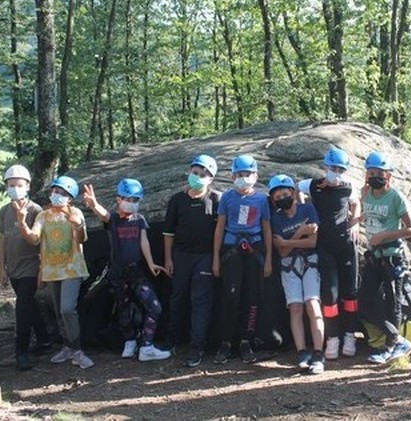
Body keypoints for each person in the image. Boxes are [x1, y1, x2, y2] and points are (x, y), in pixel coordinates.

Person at [83, 178, 171, 362]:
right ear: (118, 199)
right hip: (117, 272)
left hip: (136, 272)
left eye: (135, 200)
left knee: (154, 306)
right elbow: (104, 215)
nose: (131, 204)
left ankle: (146, 346)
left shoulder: (140, 220)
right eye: (128, 199)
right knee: (123, 308)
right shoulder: (114, 220)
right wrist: (93, 204)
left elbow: (144, 241)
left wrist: (151, 263)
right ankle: (130, 342)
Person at [16, 175, 94, 369]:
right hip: (52, 269)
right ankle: (67, 347)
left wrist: (78, 224)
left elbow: (82, 238)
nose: (57, 195)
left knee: (68, 308)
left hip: (72, 268)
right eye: (55, 191)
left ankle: (77, 350)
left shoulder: (75, 212)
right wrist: (22, 222)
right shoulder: (43, 215)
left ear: (70, 197)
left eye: (62, 193)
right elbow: (34, 239)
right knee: (59, 311)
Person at [211, 154, 273, 364]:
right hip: (232, 250)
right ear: (232, 175)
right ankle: (226, 342)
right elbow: (219, 227)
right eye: (239, 174)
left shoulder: (262, 199)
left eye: (247, 174)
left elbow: (266, 228)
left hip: (254, 250)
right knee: (230, 297)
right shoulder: (227, 198)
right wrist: (216, 259)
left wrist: (268, 258)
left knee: (252, 297)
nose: (243, 178)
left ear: (255, 176)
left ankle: (246, 341)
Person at [360, 152, 411, 364]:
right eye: (371, 172)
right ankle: (396, 339)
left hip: (392, 256)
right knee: (364, 301)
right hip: (373, 257)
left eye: (379, 173)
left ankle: (390, 348)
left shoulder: (396, 198)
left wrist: (385, 235)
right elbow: (365, 217)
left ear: (389, 176)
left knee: (393, 304)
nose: (375, 176)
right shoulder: (365, 193)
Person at [163, 154, 221, 368]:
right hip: (181, 256)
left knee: (201, 301)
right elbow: (168, 232)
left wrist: (216, 259)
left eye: (203, 174)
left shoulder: (216, 199)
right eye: (195, 172)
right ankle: (172, 341)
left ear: (211, 178)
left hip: (205, 258)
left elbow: (220, 232)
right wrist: (168, 258)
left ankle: (197, 347)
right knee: (177, 298)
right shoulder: (177, 200)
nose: (197, 176)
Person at [306, 147, 361, 360]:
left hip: (346, 245)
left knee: (350, 293)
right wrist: (307, 211)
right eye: (333, 168)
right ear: (325, 167)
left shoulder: (348, 186)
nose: (336, 172)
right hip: (324, 246)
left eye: (340, 169)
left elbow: (356, 203)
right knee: (329, 295)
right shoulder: (313, 185)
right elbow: (294, 192)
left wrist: (354, 223)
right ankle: (332, 337)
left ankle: (349, 336)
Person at [268, 174, 325, 374]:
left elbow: (312, 242)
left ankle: (318, 353)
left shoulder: (307, 209)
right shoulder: (276, 219)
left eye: (285, 193)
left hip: (310, 264)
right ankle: (302, 352)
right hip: (289, 266)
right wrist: (300, 232)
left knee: (313, 305)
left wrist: (288, 241)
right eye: (277, 195)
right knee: (295, 308)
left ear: (293, 193)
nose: (282, 197)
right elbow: (282, 251)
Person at [0, 165, 51, 371]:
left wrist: (42, 270)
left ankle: (22, 351)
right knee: (29, 305)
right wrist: (2, 268)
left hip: (31, 267)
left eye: (19, 185)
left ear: (27, 186)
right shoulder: (4, 211)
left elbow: (41, 242)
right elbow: (2, 240)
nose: (15, 188)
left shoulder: (36, 210)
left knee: (22, 308)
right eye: (11, 185)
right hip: (14, 268)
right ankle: (45, 339)